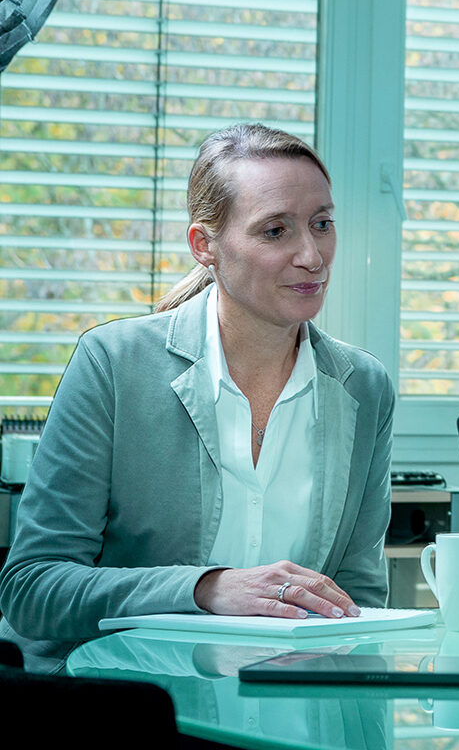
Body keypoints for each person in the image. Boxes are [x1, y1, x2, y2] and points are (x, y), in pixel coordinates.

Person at [0, 124, 394, 672]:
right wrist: (207, 589)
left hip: (290, 712)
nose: (313, 255)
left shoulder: (364, 386)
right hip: (127, 699)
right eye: (275, 231)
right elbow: (32, 588)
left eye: (322, 224)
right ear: (204, 245)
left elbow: (356, 600)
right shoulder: (112, 364)